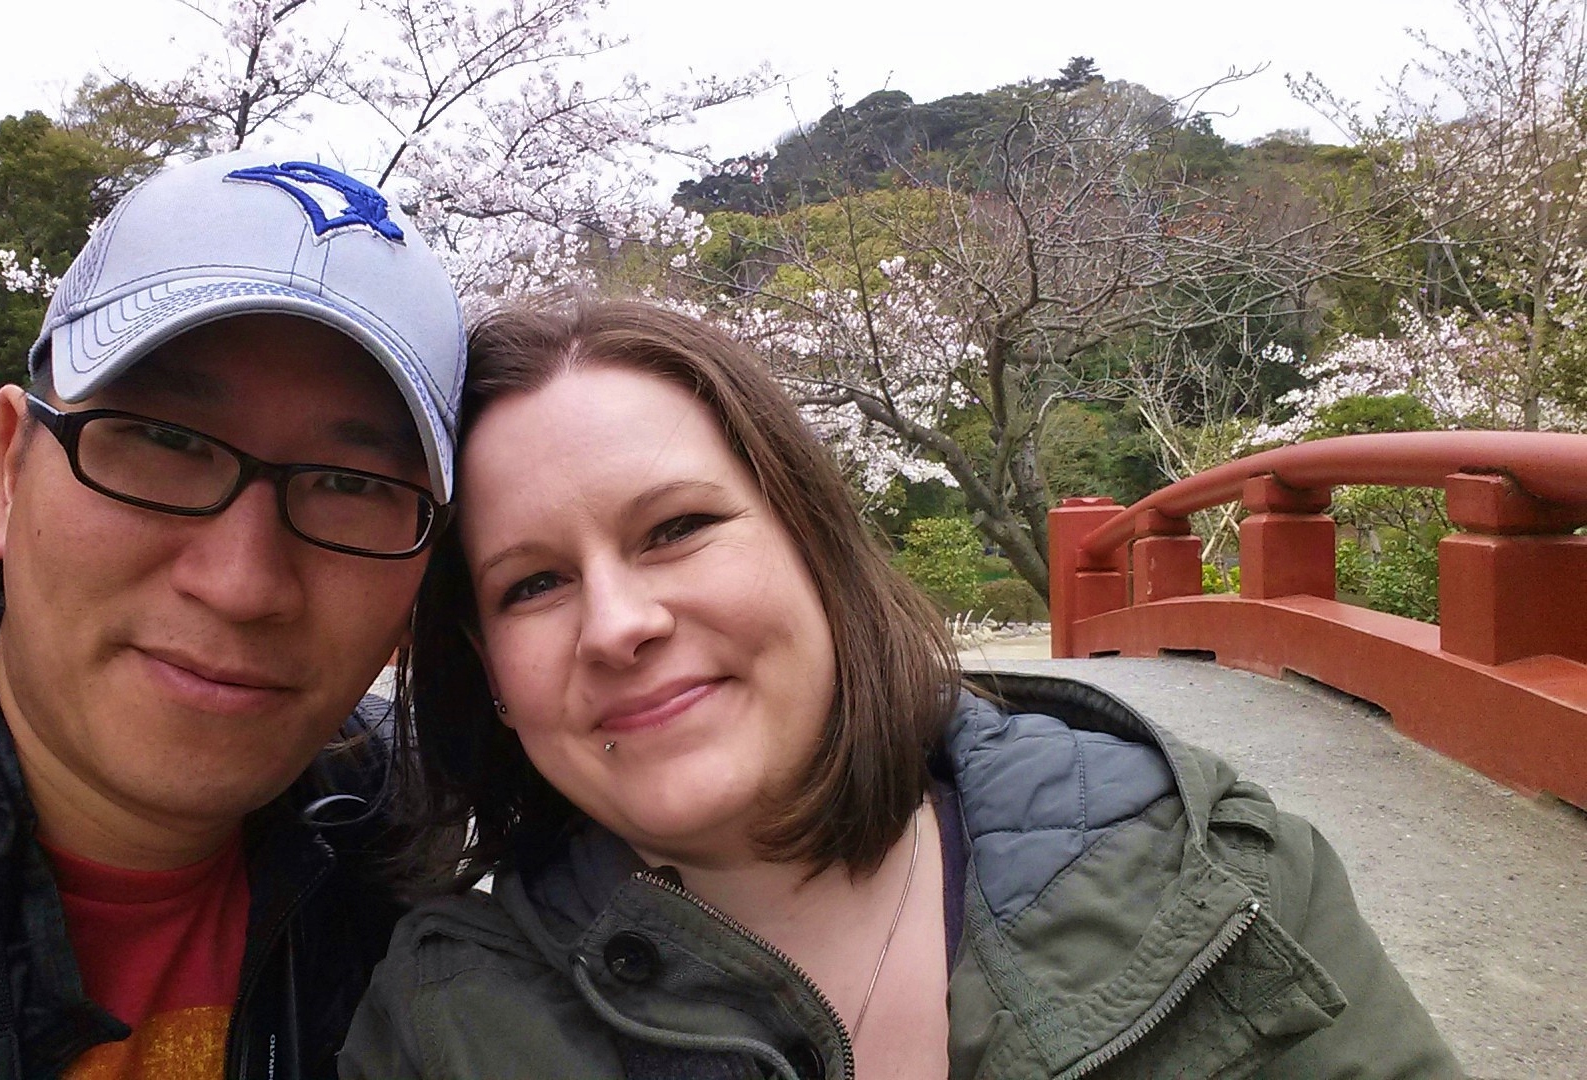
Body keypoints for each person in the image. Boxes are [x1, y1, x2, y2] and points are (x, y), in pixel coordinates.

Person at [340, 300, 1464, 1079]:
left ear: (814, 546)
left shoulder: (1213, 877)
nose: (619, 625)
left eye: (676, 529)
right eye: (532, 585)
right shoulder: (448, 1028)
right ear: (487, 671)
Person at [0, 151, 465, 1079]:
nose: (241, 584)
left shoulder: (425, 883)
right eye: (165, 440)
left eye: (351, 485)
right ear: (11, 471)